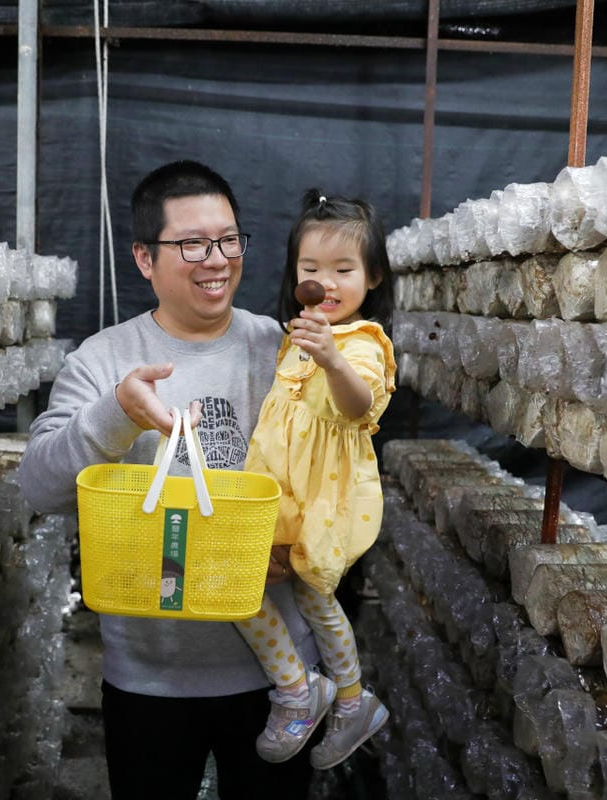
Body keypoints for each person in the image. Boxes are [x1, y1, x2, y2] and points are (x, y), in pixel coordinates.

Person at [17, 160, 322, 799]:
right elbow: (38, 488)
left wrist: (310, 549)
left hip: (280, 677)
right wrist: (115, 417)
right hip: (151, 676)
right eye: (191, 243)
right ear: (144, 258)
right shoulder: (102, 361)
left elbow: (340, 467)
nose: (216, 259)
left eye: (229, 239)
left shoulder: (283, 348)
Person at [236, 189, 396, 770]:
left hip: (324, 500)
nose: (324, 283)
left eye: (343, 270)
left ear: (373, 276)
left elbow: (357, 410)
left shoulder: (363, 344)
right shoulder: (298, 333)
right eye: (311, 269)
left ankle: (305, 691)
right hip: (281, 489)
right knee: (250, 585)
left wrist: (331, 358)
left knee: (309, 592)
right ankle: (337, 696)